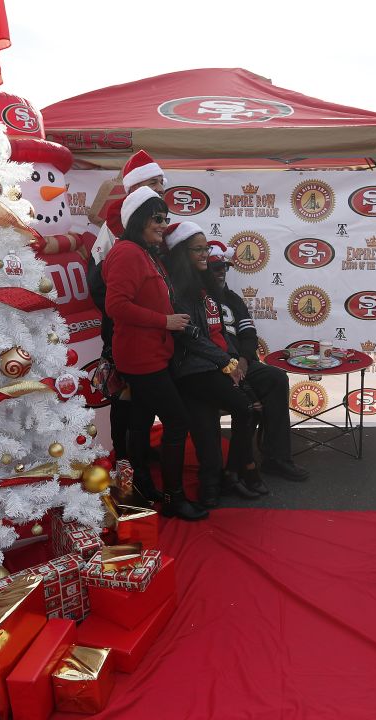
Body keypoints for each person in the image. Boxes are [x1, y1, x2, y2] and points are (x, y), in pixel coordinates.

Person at [101, 187, 206, 521]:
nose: (163, 224)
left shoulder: (145, 252)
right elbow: (116, 305)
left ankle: (141, 487)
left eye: (166, 218)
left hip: (153, 354)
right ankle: (175, 498)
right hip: (141, 358)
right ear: (137, 220)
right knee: (176, 421)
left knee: (141, 421)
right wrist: (166, 321)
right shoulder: (128, 253)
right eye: (156, 218)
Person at [160, 221, 258, 508]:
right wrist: (226, 362)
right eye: (198, 249)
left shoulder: (207, 284)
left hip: (211, 367)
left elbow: (216, 332)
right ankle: (226, 477)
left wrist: (233, 359)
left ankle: (214, 484)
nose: (205, 254)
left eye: (206, 248)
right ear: (181, 252)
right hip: (193, 369)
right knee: (242, 410)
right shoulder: (176, 287)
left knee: (207, 428)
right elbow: (190, 337)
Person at [88, 151, 167, 483]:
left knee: (144, 396)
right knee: (126, 394)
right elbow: (97, 283)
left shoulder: (151, 223)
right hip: (124, 328)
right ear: (135, 188)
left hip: (150, 328)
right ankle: (125, 458)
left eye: (162, 185)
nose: (160, 191)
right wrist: (122, 318)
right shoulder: (115, 228)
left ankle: (139, 452)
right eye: (153, 184)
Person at [208, 243, 311, 485]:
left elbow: (248, 334)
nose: (221, 272)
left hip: (241, 363)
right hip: (213, 368)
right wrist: (228, 364)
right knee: (245, 400)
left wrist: (243, 360)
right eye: (215, 268)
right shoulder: (197, 298)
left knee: (276, 378)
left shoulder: (233, 299)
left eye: (223, 268)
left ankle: (276, 458)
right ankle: (232, 469)